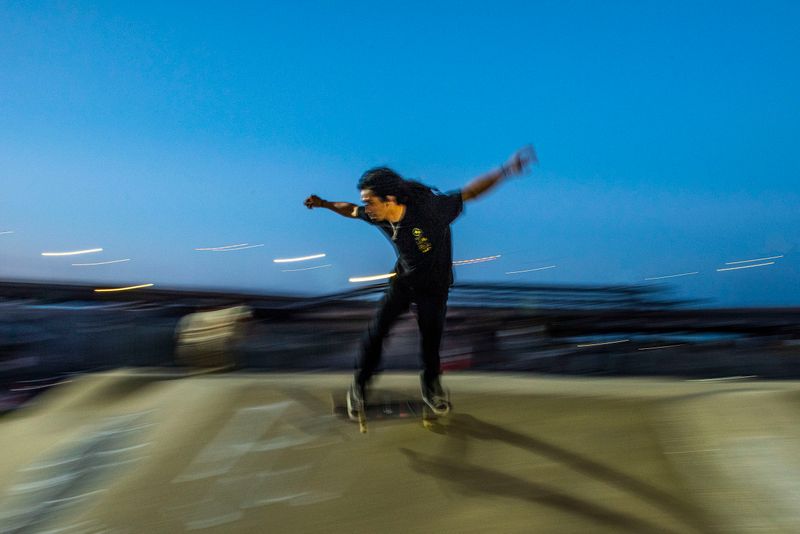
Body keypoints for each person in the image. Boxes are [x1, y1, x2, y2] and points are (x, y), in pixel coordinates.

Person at [304, 146, 536, 419]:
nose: (368, 209)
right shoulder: (376, 214)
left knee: (430, 341)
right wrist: (323, 203)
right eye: (366, 202)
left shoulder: (431, 210)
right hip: (404, 281)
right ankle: (360, 386)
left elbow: (470, 192)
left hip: (435, 287)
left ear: (389, 199)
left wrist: (506, 170)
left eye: (371, 202)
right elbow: (351, 210)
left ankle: (431, 388)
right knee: (376, 333)